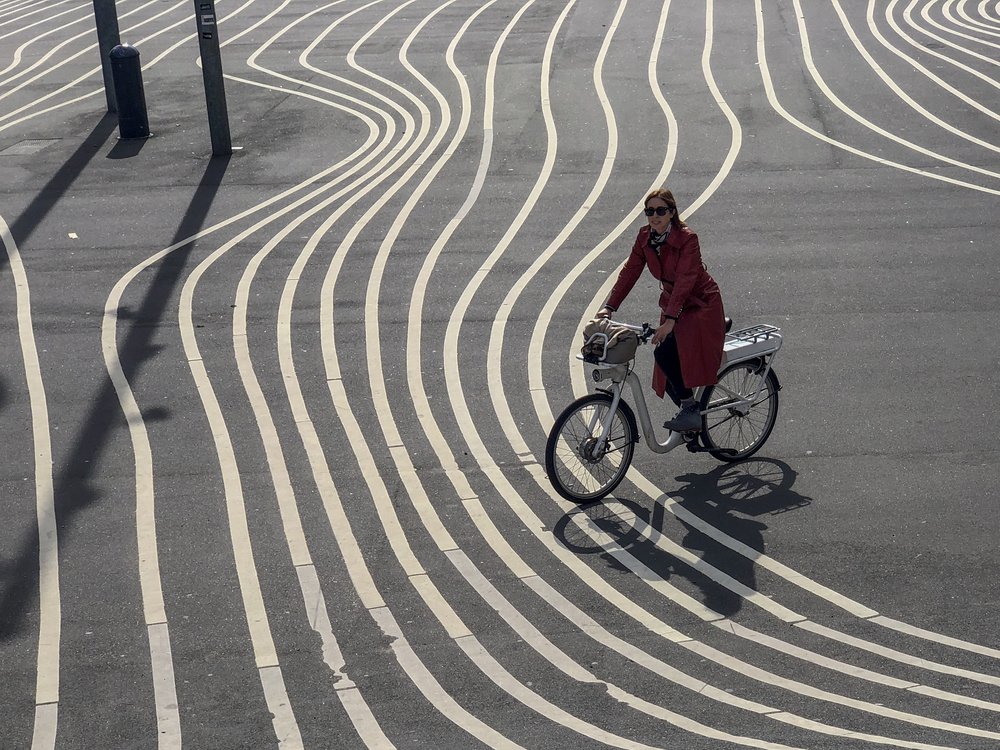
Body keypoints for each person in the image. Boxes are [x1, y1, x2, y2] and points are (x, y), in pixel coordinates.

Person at [596, 188, 726, 432]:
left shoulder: (687, 239)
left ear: (672, 213)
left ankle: (691, 410)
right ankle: (692, 415)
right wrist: (609, 307)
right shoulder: (645, 237)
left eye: (660, 210)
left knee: (664, 354)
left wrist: (670, 320)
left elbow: (686, 281)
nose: (654, 216)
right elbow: (630, 272)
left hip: (700, 305)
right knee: (666, 372)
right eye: (649, 211)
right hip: (674, 306)